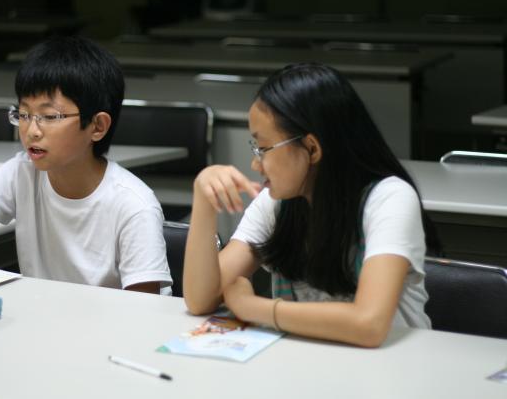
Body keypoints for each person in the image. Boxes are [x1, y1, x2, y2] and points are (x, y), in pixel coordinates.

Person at [183, 63, 440, 346]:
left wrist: (252, 307)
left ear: (312, 148)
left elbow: (369, 324)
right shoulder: (275, 203)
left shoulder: (389, 199)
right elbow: (200, 300)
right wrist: (203, 200)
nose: (256, 164)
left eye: (264, 148)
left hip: (392, 366)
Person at [0, 36, 172, 294]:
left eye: (49, 116)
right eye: (24, 114)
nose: (32, 131)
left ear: (97, 126)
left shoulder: (134, 206)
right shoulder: (21, 173)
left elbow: (142, 314)